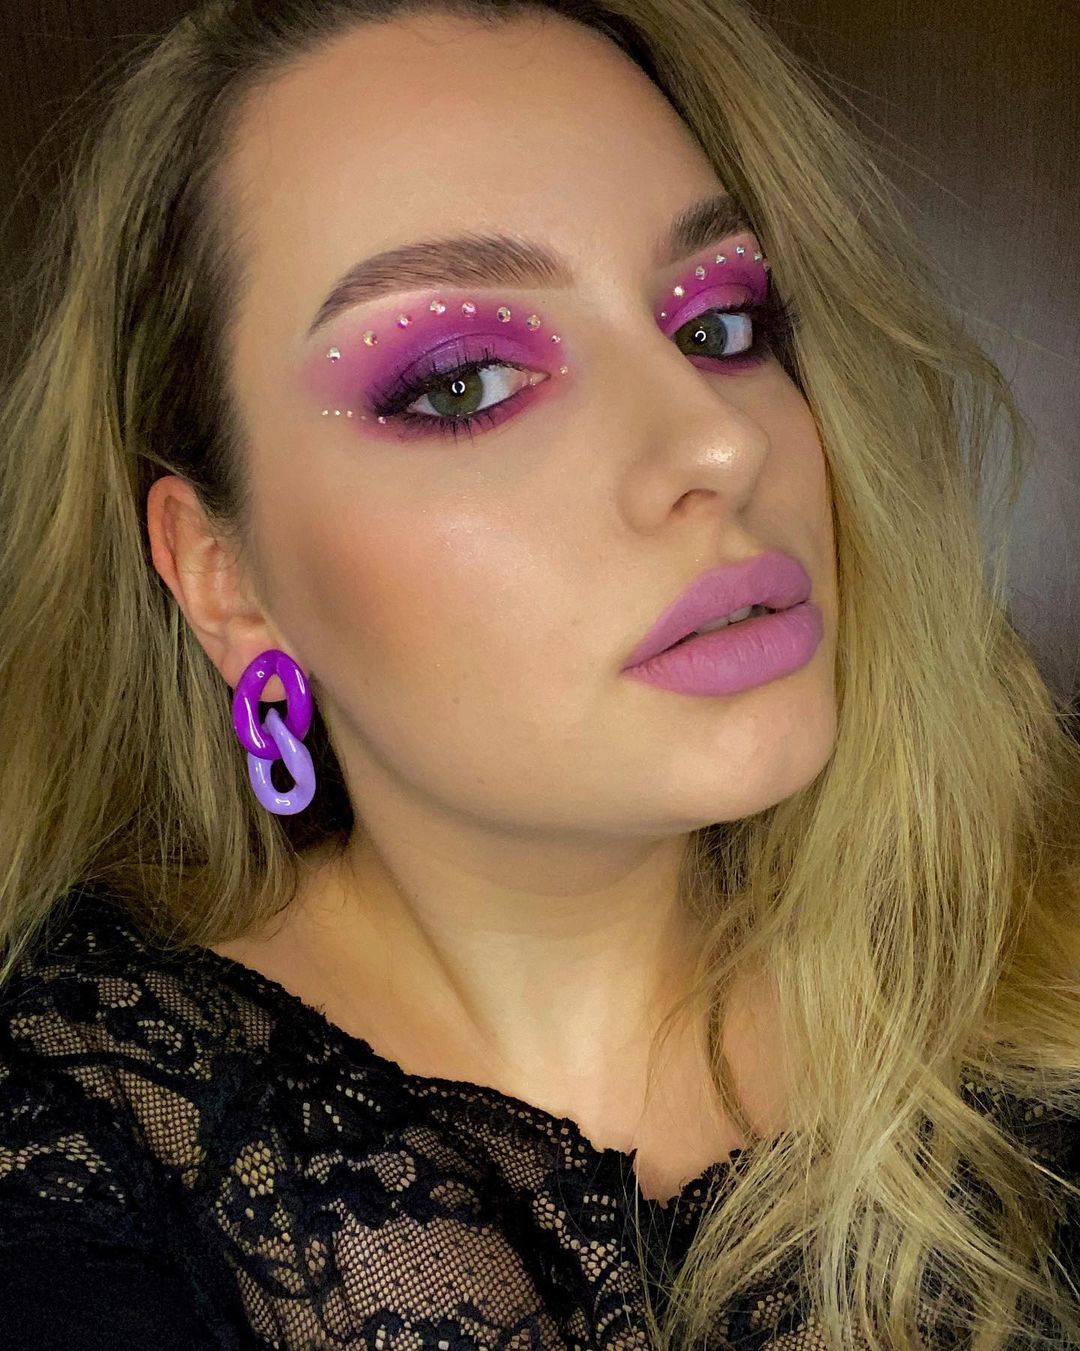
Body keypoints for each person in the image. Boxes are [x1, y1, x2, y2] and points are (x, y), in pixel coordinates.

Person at [0, 0, 1077, 1346]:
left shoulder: (1037, 987)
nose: (720, 441)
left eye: (720, 324)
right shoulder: (80, 1161)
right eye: (460, 383)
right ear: (226, 576)